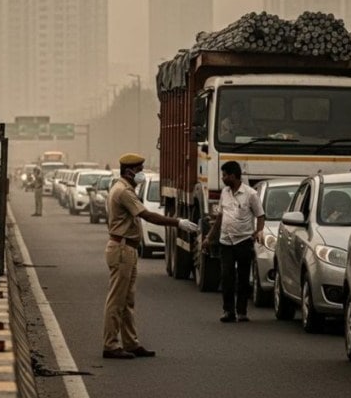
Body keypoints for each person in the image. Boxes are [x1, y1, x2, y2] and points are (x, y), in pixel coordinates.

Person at [102, 153, 199, 359]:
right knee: (117, 300)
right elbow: (147, 215)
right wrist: (177, 222)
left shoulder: (125, 189)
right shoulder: (123, 192)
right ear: (129, 171)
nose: (141, 174)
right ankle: (110, 345)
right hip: (122, 249)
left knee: (128, 301)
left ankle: (130, 343)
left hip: (127, 248)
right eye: (139, 169)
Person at [204, 161, 264, 323]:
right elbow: (220, 217)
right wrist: (209, 237)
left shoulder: (250, 194)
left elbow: (260, 215)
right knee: (226, 276)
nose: (222, 178)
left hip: (243, 240)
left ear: (233, 176)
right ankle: (228, 311)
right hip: (226, 241)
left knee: (243, 277)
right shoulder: (225, 192)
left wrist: (258, 232)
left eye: (224, 175)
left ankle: (242, 311)